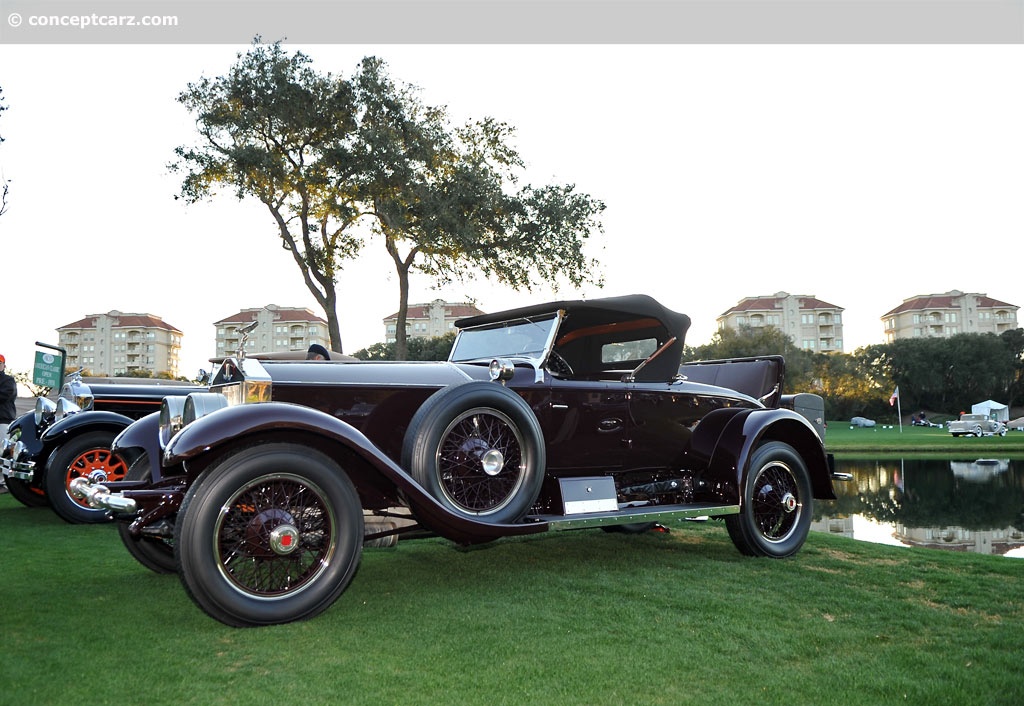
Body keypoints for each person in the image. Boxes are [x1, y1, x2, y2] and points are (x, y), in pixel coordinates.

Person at [0, 354, 16, 493]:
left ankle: (5, 483)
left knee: (3, 453)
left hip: (3, 420)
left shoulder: (8, 380)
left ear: (4, 365)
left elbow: (5, 395)